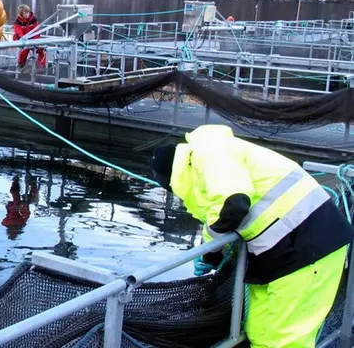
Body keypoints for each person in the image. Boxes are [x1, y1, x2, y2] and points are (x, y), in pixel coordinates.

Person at [150, 124, 354, 348]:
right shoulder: (211, 157)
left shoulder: (208, 153)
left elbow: (233, 204)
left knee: (286, 341)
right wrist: (212, 248)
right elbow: (226, 211)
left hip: (309, 249)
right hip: (281, 252)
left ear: (173, 178)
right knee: (259, 333)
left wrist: (210, 252)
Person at [12, 5, 45, 73]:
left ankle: (41, 67)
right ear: (21, 14)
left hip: (33, 39)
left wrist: (36, 42)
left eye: (28, 12)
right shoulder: (17, 22)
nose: (27, 14)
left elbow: (36, 31)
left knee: (42, 49)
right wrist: (24, 40)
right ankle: (21, 67)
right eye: (25, 13)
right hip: (23, 40)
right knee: (24, 51)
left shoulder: (34, 20)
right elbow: (18, 32)